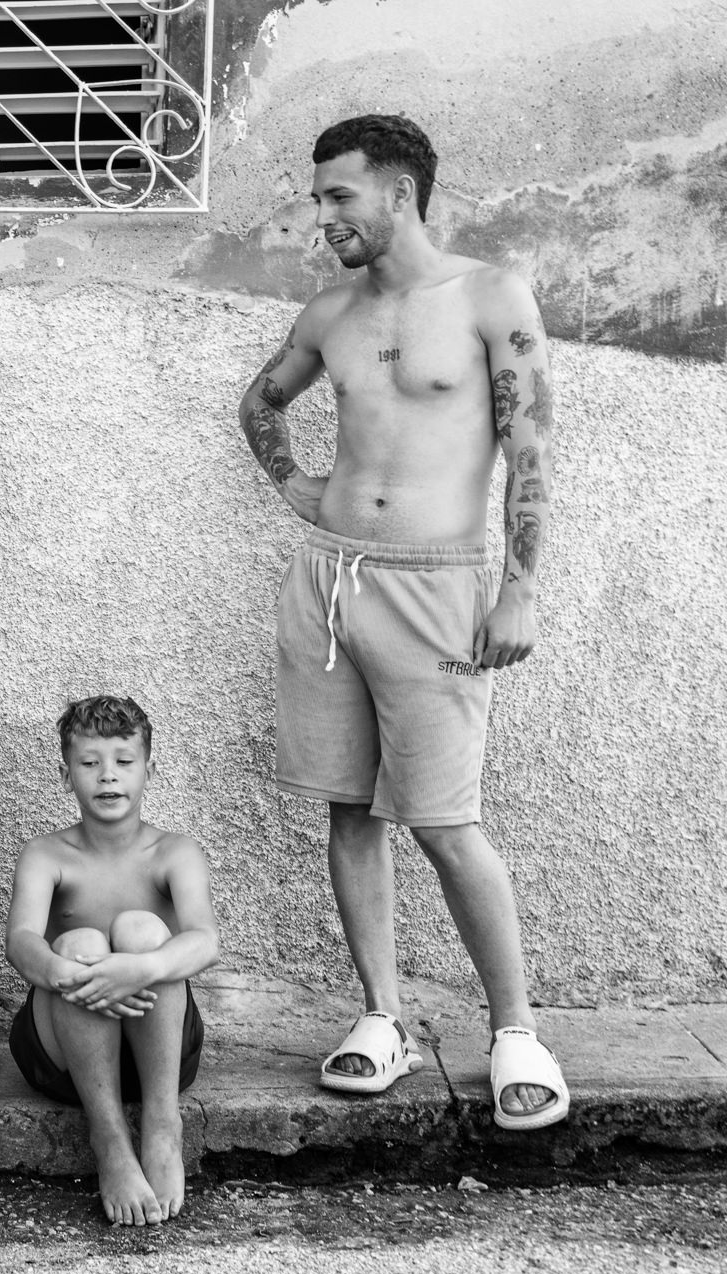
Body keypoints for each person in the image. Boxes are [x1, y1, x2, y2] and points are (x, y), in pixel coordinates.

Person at [237, 113, 568, 1130]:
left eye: (338, 195)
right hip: (331, 583)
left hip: (437, 584)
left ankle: (514, 1031)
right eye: (316, 197)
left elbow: (530, 449)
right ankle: (381, 1016)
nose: (322, 216)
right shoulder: (328, 310)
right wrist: (294, 484)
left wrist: (517, 589)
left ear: (398, 193)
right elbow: (258, 405)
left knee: (445, 821)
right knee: (349, 808)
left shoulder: (487, 295)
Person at [5, 696, 218, 1226]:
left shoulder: (174, 852)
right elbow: (21, 940)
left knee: (143, 932)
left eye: (124, 761)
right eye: (89, 762)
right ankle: (109, 1138)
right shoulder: (46, 854)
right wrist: (66, 972)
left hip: (161, 1055)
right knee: (79, 943)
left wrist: (142, 968)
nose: (108, 776)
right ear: (66, 774)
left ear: (149, 770)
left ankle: (162, 1126)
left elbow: (205, 940)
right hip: (65, 1056)